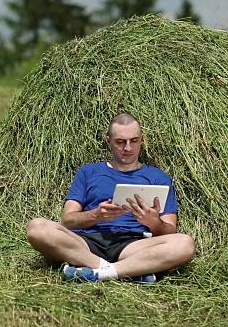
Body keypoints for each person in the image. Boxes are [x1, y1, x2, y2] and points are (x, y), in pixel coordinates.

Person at [26, 113, 195, 283]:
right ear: (109, 140)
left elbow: (170, 230)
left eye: (134, 141)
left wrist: (153, 222)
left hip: (133, 244)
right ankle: (130, 271)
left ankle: (97, 273)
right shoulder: (88, 172)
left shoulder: (158, 178)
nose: (128, 148)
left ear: (141, 139)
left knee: (184, 244)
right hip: (86, 242)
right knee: (37, 228)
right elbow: (67, 221)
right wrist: (95, 215)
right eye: (120, 142)